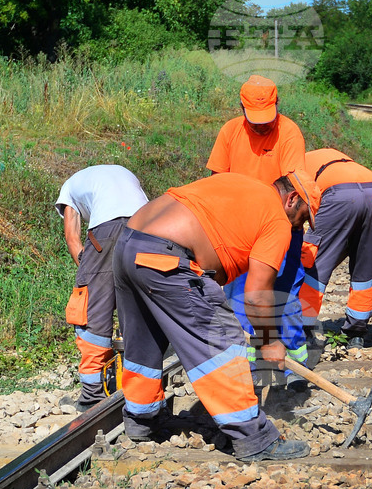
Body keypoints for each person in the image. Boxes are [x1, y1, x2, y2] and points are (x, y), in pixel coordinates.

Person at [113, 170, 320, 462]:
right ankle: (253, 437)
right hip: (166, 257)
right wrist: (268, 341)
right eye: (302, 217)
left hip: (127, 245)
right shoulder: (276, 218)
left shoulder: (242, 183)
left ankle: (141, 419)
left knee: (143, 337)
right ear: (292, 199)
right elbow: (257, 294)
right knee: (221, 340)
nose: (300, 226)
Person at [206, 75, 310, 368]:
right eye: (254, 119)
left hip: (280, 225)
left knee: (284, 295)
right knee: (240, 298)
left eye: (266, 118)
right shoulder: (230, 132)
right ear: (241, 108)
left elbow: (293, 187)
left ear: (278, 105)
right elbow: (216, 184)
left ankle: (295, 369)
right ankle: (248, 368)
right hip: (238, 232)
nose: (261, 125)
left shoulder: (288, 132)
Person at [56, 165, 148, 407]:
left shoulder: (68, 190)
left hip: (108, 227)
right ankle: (142, 387)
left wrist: (90, 275)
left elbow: (72, 237)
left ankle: (92, 393)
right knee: (140, 303)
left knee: (90, 306)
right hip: (149, 224)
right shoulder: (119, 174)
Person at [297, 148, 372, 350]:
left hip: (339, 195)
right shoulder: (331, 156)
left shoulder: (295, 167)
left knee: (314, 264)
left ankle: (301, 328)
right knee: (364, 264)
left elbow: (297, 210)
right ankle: (357, 331)